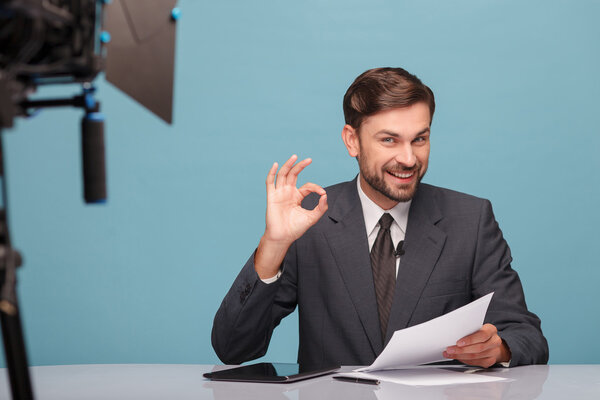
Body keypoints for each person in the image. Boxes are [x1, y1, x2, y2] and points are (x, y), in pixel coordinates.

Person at [211, 67, 549, 368]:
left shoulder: (471, 219)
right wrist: (274, 245)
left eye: (420, 139)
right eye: (389, 140)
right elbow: (233, 349)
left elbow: (526, 334)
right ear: (352, 141)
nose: (408, 158)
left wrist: (499, 348)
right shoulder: (309, 220)